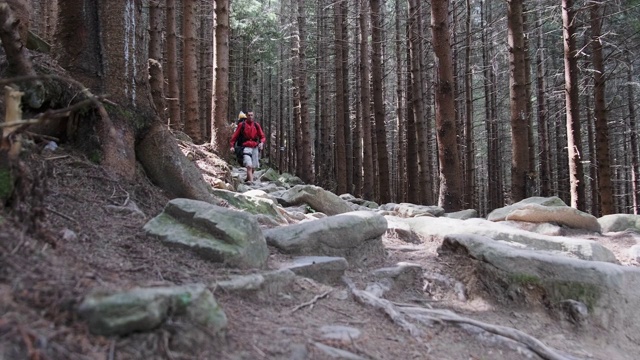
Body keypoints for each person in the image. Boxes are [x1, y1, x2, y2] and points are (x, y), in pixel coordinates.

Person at [229, 111, 265, 183]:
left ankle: (248, 179)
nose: (250, 117)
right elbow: (235, 136)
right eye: (249, 115)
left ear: (253, 116)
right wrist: (232, 146)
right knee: (249, 166)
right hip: (245, 147)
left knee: (253, 167)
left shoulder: (256, 125)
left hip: (255, 147)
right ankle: (251, 183)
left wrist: (262, 143)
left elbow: (262, 136)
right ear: (246, 116)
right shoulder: (241, 125)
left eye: (252, 115)